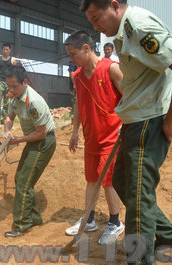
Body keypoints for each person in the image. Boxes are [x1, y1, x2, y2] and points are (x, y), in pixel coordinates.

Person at [81, 0, 172, 263]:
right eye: (91, 21)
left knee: (139, 196)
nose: (96, 25)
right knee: (121, 181)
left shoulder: (139, 26)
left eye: (97, 17)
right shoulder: (122, 33)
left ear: (114, 5)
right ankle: (169, 236)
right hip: (134, 120)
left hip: (148, 122)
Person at [64, 31, 124, 245]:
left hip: (111, 136)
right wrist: (74, 132)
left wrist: (125, 125)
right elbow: (79, 104)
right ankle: (89, 220)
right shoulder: (78, 76)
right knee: (91, 179)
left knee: (107, 181)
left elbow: (130, 97)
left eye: (73, 54)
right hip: (91, 137)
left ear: (86, 48)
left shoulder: (110, 69)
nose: (71, 60)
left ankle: (115, 222)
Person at [3, 65, 56, 238]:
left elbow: (41, 133)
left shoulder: (33, 101)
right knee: (20, 178)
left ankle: (20, 225)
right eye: (9, 86)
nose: (11, 90)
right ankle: (34, 218)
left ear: (25, 82)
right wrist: (7, 130)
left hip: (44, 141)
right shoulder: (14, 95)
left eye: (14, 86)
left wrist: (17, 140)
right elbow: (9, 117)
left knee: (24, 181)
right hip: (33, 140)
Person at [0, 42, 17, 123]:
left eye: (7, 49)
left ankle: (3, 119)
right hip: (0, 81)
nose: (5, 51)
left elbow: (15, 72)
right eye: (4, 49)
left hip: (9, 83)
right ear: (2, 50)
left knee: (7, 102)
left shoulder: (13, 60)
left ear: (10, 50)